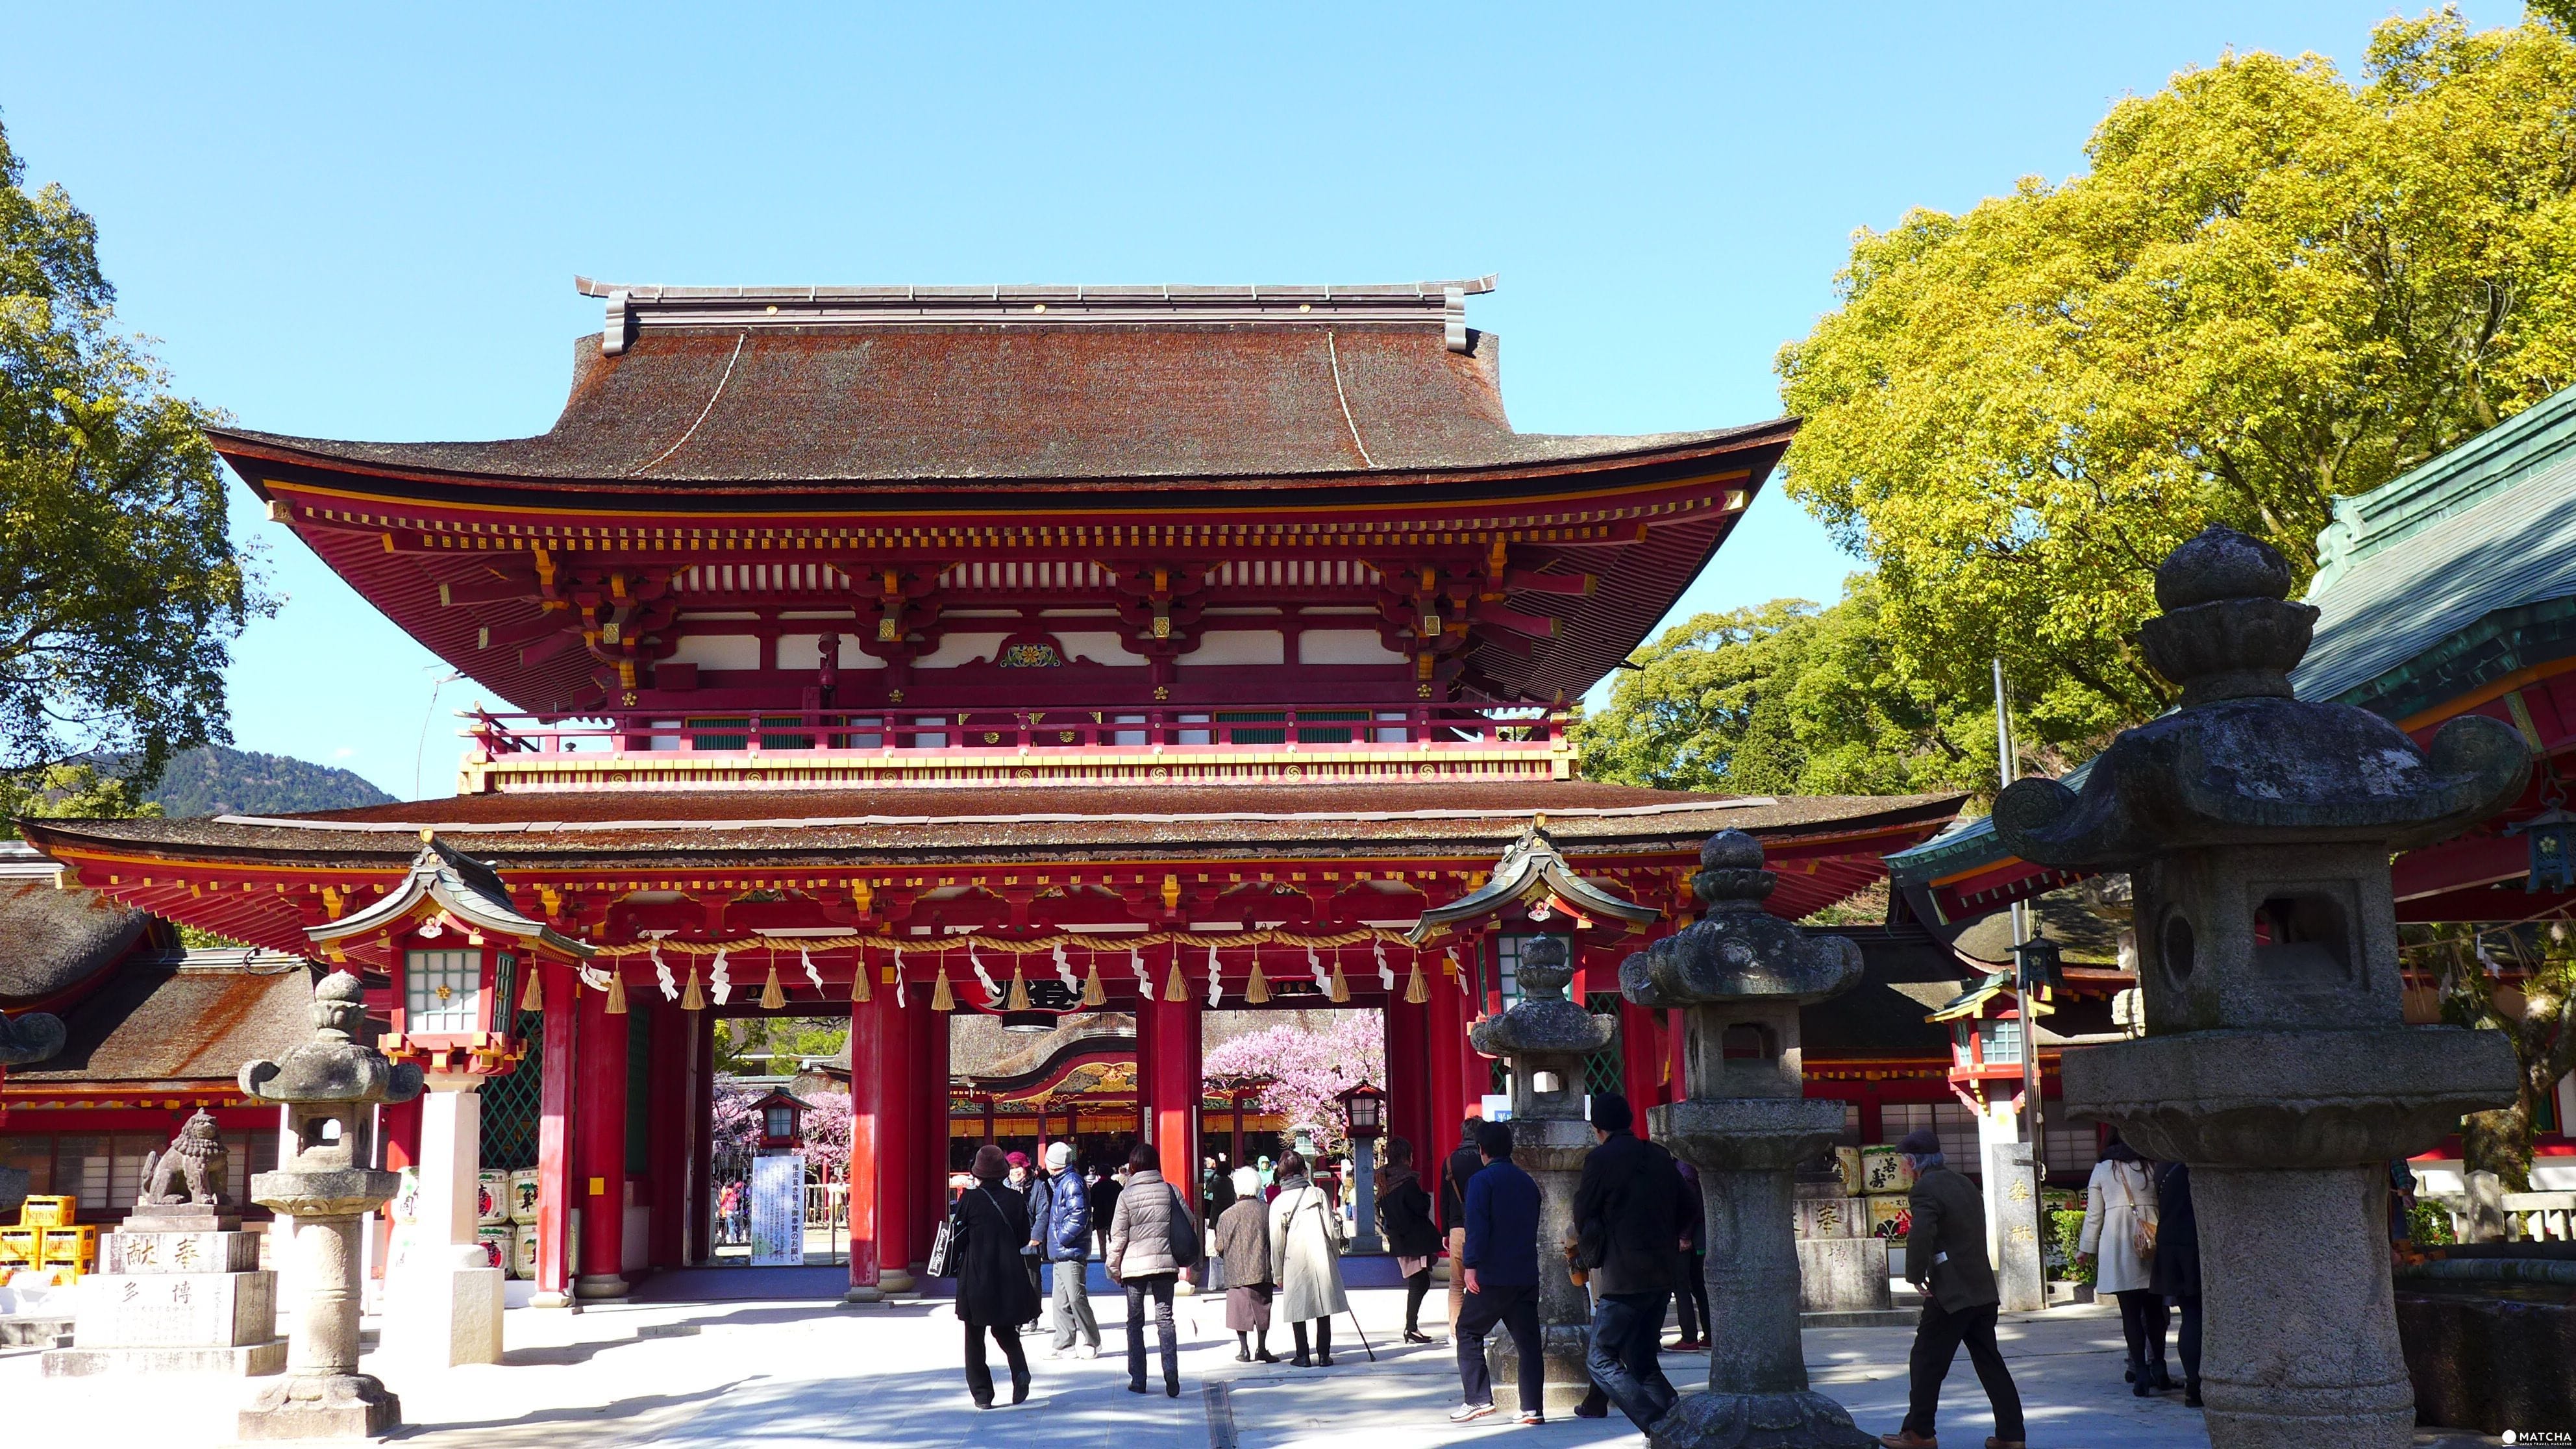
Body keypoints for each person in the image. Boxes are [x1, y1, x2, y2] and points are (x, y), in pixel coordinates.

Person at [1879, 1128, 2024, 1449]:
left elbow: (1921, 1234)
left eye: (1904, 1161)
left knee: (1926, 1361)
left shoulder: (1925, 1188)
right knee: (1990, 1362)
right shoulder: (1964, 1183)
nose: (1904, 1167)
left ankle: (1918, 1432)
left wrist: (1914, 1275)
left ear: (1914, 1161)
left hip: (1952, 1293)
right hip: (1982, 1289)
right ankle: (2011, 1436)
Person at [1568, 1093, 1686, 1433]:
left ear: (1597, 1127)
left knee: (1600, 1358)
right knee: (1641, 1359)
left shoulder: (1600, 1159)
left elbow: (1582, 1212)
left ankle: (1655, 1424)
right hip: (1663, 1271)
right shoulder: (1660, 1155)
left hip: (1624, 1273)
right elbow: (1689, 1205)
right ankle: (1680, 1418)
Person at [1452, 1120, 1543, 1425]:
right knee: (1529, 1344)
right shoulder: (1527, 1182)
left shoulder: (1481, 1181)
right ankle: (1532, 1407)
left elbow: (1477, 1227)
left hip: (1493, 1273)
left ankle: (1478, 1398)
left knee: (1468, 1330)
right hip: (1525, 1272)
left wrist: (1471, 1266)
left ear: (1482, 1150)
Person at [953, 1144, 1039, 1409]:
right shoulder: (1015, 1200)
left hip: (977, 1272)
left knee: (974, 1335)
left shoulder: (969, 1199)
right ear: (1002, 1171)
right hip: (1009, 1272)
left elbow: (958, 1238)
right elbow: (1025, 1237)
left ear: (977, 1172)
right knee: (1005, 1329)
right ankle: (1020, 1370)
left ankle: (982, 1394)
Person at [2079, 1137, 2166, 1394]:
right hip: (2152, 1240)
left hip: (2119, 1244)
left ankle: (2140, 1372)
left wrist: (2086, 1248)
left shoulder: (2104, 1169)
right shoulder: (2152, 1166)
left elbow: (2095, 1214)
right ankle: (2159, 1366)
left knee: (2130, 1314)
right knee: (2155, 1311)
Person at [1106, 1142, 1187, 1397]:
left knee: (1134, 1322)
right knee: (1165, 1319)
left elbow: (1118, 1236)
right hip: (1165, 1265)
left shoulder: (1126, 1196)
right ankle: (1171, 1375)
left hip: (1134, 1267)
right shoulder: (1170, 1191)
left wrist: (1113, 1268)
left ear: (1132, 1167)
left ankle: (1139, 1379)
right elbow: (1189, 1220)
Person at [1267, 1150, 1350, 1367]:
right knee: (1323, 1305)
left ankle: (1302, 1355)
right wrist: (1334, 1254)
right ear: (1304, 1170)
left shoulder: (1278, 1203)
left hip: (1294, 1259)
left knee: (1298, 1307)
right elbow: (1332, 1230)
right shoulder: (1318, 1195)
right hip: (1320, 1253)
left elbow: (1276, 1242)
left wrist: (1277, 1273)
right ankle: (1324, 1354)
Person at [1031, 1141, 1098, 1360]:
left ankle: (1092, 1340)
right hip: (1061, 1252)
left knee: (1076, 1297)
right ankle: (1063, 1344)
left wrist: (1062, 1237)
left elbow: (1079, 1215)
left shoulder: (1071, 1182)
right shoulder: (1061, 1182)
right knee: (1060, 1300)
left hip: (1070, 1249)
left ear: (1053, 1163)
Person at [1375, 1135, 1441, 1344]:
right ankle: (1410, 1327)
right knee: (1418, 1282)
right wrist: (1425, 1198)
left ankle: (1412, 1327)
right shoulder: (1407, 1182)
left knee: (1420, 1281)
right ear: (1406, 1157)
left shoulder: (1384, 1182)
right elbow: (1420, 1207)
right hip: (1413, 1238)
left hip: (1400, 1238)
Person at [2150, 1159, 2202, 1408]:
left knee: (2190, 1316)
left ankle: (2194, 1384)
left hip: (2170, 1244)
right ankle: (2198, 1382)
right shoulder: (2194, 1163)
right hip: (2195, 1243)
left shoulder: (2163, 1167)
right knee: (2197, 1316)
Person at [1215, 1164, 1278, 1363]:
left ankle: (1244, 1350)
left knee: (1239, 1309)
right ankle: (1262, 1348)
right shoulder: (1267, 1211)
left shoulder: (1227, 1215)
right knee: (1263, 1308)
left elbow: (1220, 1246)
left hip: (1236, 1271)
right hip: (1262, 1267)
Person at [1441, 1115, 1485, 1332]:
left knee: (1457, 1283)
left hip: (1457, 1227)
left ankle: (1455, 1331)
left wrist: (1445, 1232)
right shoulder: (1485, 1160)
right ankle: (1479, 1327)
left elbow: (1444, 1200)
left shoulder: (1450, 1161)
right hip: (1483, 1228)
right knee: (1482, 1281)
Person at [1671, 1159, 1711, 1351]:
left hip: (1687, 1235)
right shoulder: (1686, 1165)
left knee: (1682, 1285)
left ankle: (1689, 1337)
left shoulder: (1684, 1168)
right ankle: (1709, 1333)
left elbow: (1691, 1205)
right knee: (1696, 1283)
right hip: (1693, 1233)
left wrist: (1684, 1236)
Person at [1089, 1161, 1122, 1261]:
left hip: (1100, 1216)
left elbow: (1092, 1202)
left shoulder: (1096, 1186)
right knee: (1114, 1239)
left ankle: (1103, 1258)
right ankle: (1114, 1258)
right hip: (1113, 1215)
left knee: (1102, 1241)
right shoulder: (1116, 1185)